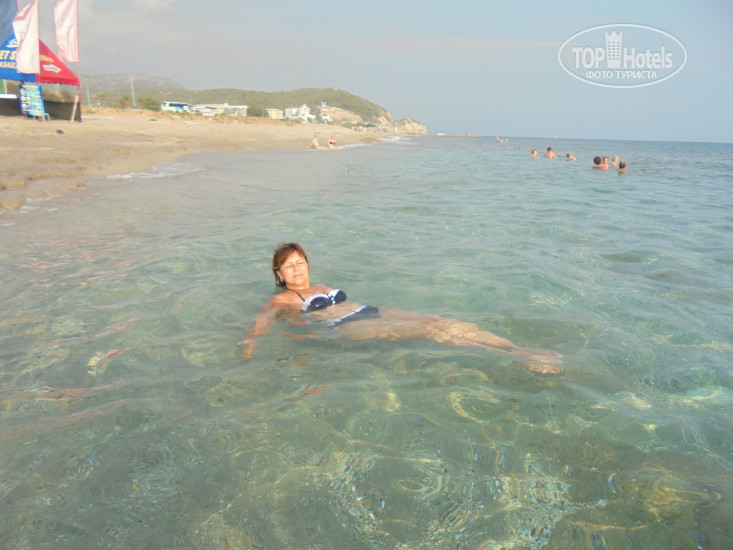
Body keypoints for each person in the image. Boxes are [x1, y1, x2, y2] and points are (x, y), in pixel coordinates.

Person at [240, 242, 562, 373]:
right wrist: (248, 351)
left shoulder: (321, 286)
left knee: (441, 321)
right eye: (288, 266)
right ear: (279, 274)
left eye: (300, 262)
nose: (296, 269)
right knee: (427, 331)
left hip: (369, 311)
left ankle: (516, 348)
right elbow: (262, 324)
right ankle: (519, 359)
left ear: (308, 263)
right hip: (350, 327)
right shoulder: (282, 299)